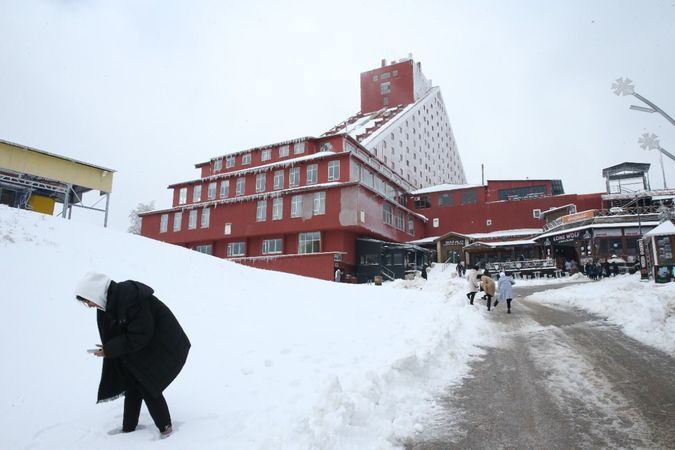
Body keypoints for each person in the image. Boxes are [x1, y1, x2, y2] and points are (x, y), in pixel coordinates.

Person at [75, 273, 191, 438]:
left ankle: (166, 431)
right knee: (132, 383)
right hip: (145, 346)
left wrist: (110, 349)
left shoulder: (130, 299)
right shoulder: (108, 302)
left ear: (96, 293)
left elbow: (141, 334)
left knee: (148, 385)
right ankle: (128, 428)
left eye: (88, 300)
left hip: (165, 344)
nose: (89, 305)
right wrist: (109, 348)